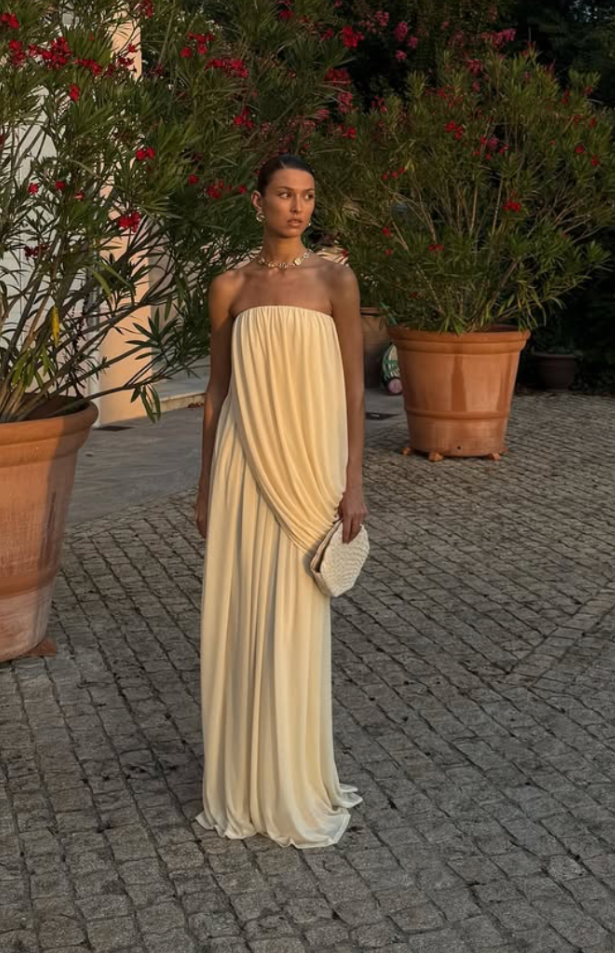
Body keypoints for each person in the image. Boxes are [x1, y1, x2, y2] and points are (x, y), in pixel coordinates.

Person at [194, 153, 366, 849]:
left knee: (296, 616)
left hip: (309, 469)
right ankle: (243, 779)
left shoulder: (336, 278)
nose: (298, 208)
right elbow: (214, 393)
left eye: (308, 196)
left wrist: (354, 479)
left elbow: (356, 387)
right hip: (242, 467)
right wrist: (204, 482)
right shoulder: (229, 285)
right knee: (240, 617)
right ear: (256, 200)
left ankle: (293, 776)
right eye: (285, 194)